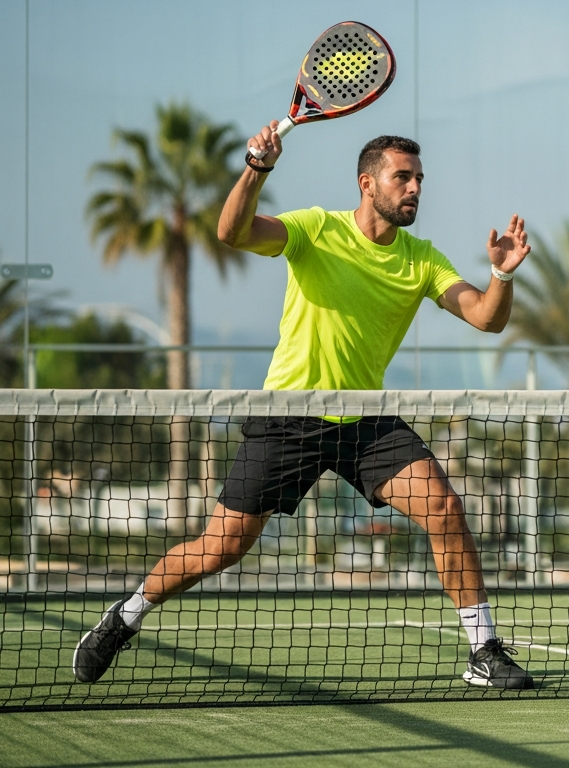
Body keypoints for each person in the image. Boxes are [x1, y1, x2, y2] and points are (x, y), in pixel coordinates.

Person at [73, 125, 534, 690]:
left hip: (364, 419)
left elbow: (487, 317)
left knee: (444, 508)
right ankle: (125, 617)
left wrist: (501, 274)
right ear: (368, 183)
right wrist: (257, 167)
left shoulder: (421, 260)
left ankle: (483, 651)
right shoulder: (316, 229)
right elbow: (231, 232)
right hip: (289, 415)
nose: (415, 187)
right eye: (403, 177)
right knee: (221, 549)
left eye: (419, 178)